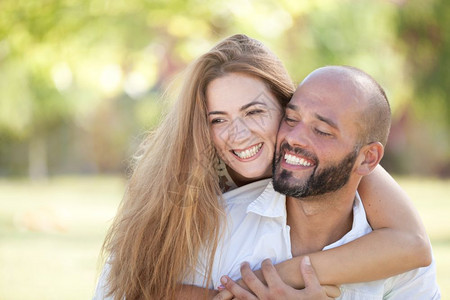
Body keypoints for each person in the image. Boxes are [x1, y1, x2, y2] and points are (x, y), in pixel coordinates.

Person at [93, 35, 432, 300]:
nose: (237, 134)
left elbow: (411, 243)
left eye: (254, 112)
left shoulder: (352, 175)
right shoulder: (195, 203)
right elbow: (127, 288)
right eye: (218, 119)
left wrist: (285, 277)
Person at [217, 66, 440, 299]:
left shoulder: (401, 265)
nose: (293, 137)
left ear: (368, 158)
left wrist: (284, 275)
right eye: (291, 119)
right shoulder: (217, 228)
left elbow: (413, 244)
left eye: (322, 131)